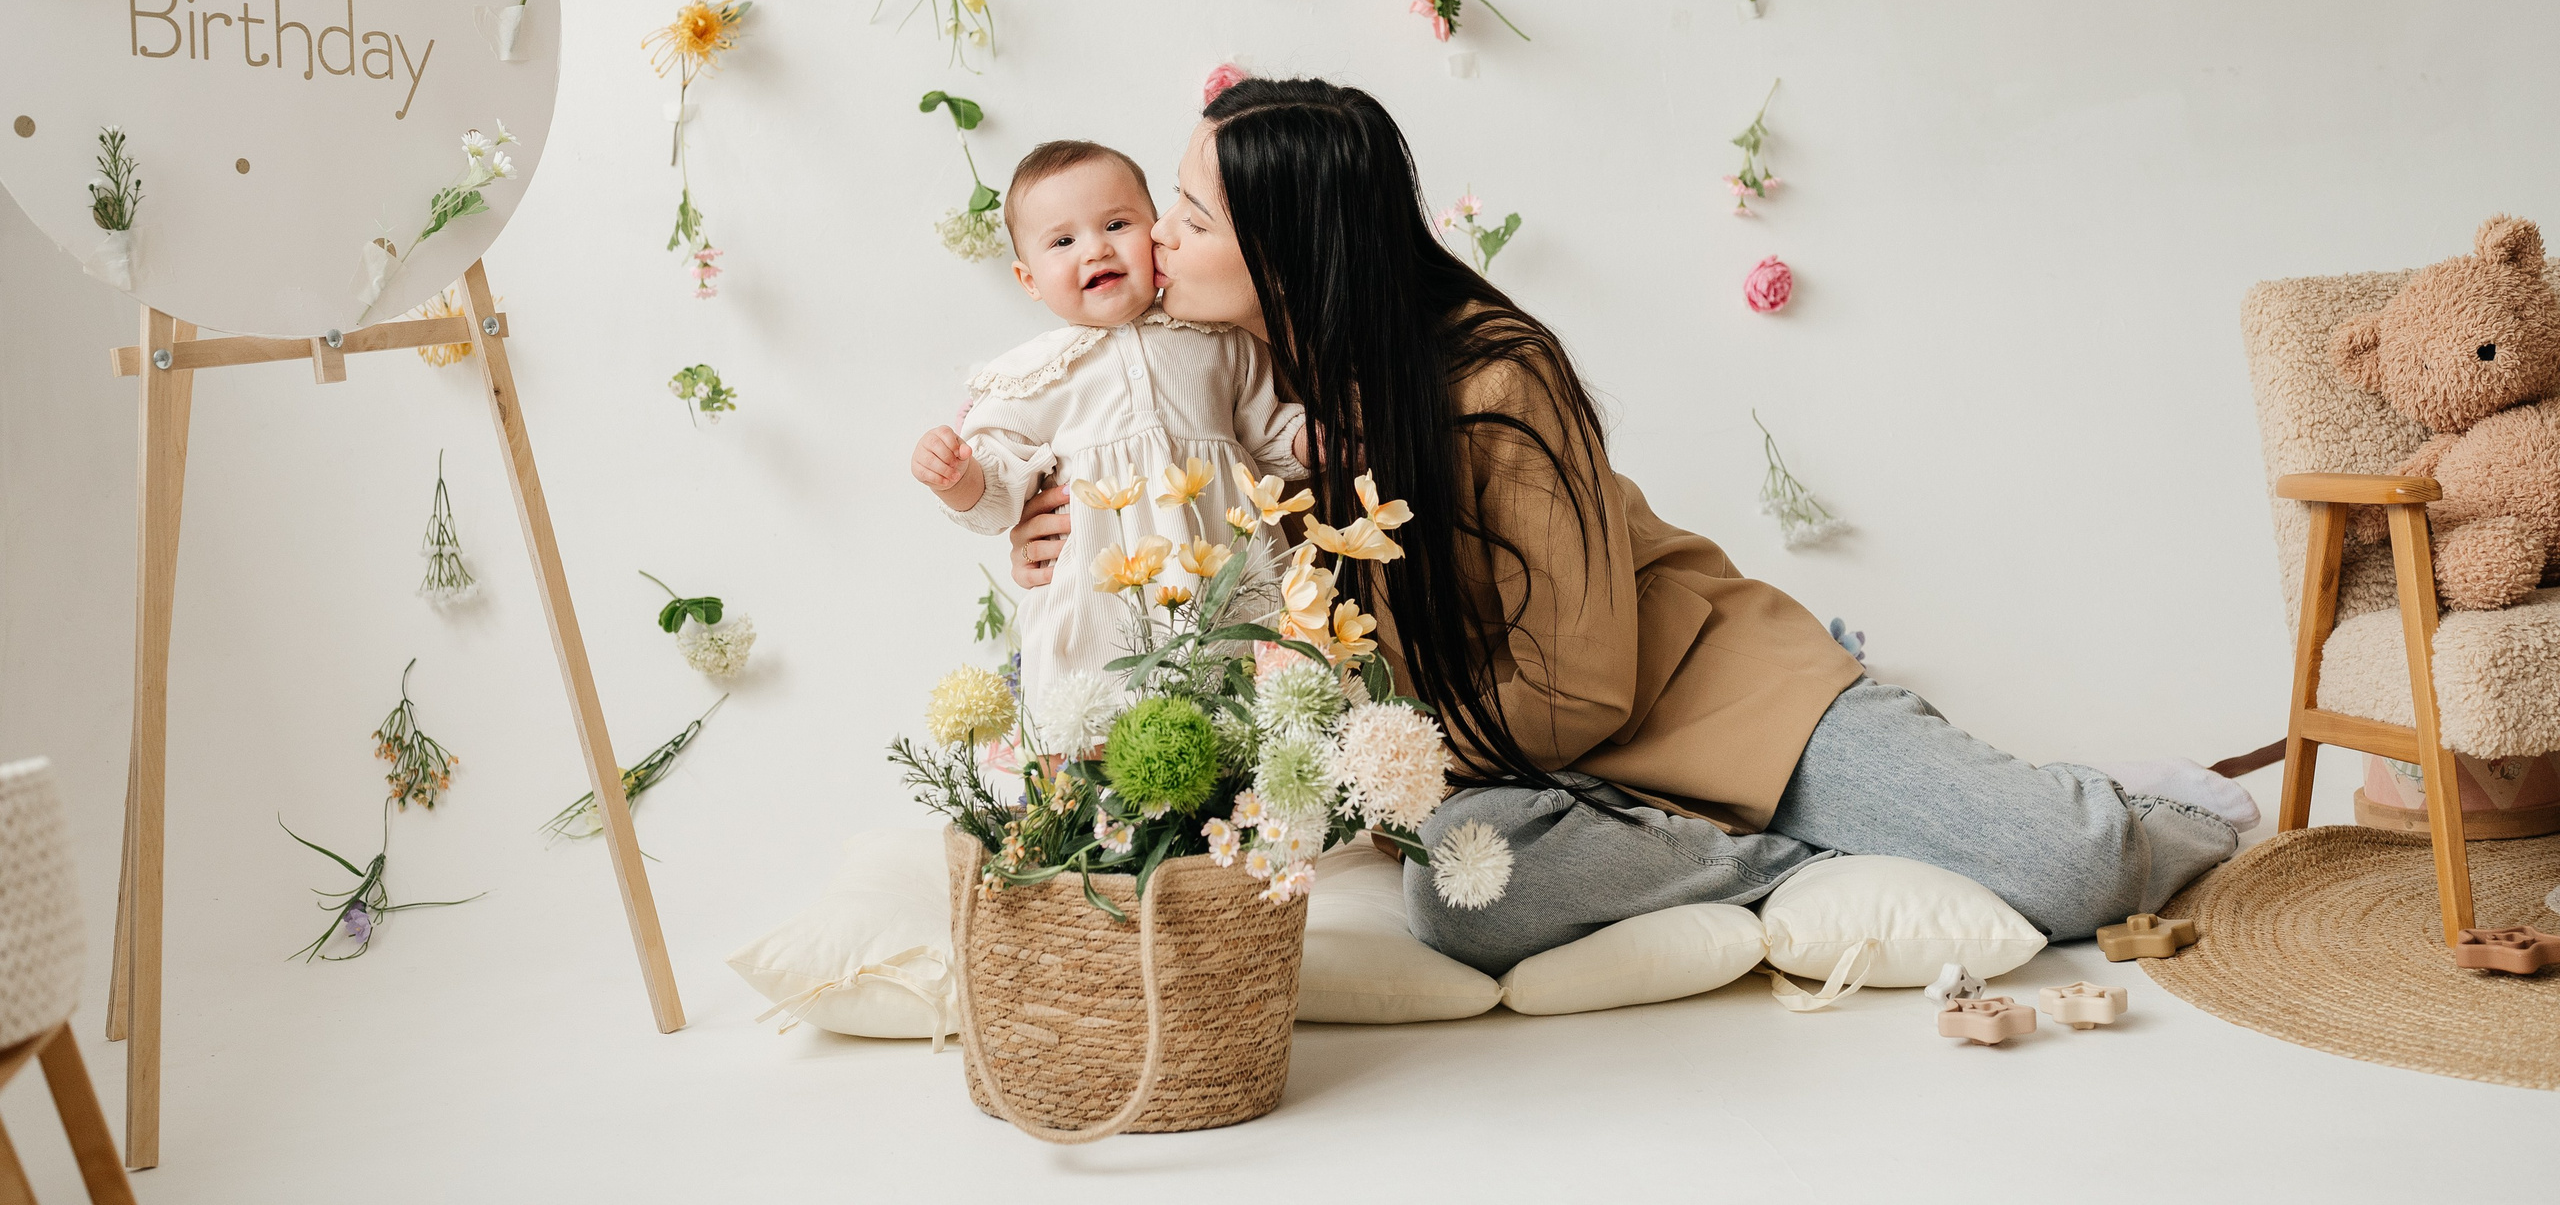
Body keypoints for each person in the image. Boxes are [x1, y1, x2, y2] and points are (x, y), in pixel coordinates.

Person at [1000, 77, 2247, 977]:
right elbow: (1144, 544)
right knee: (1462, 893)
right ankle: (1785, 856)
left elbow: (1589, 682)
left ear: (1293, 253)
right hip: (1521, 769)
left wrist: (1397, 752)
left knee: (2073, 875)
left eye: (1188, 218)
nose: (1153, 238)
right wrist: (1032, 541)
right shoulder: (1225, 396)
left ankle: (2119, 801)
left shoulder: (1492, 379)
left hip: (1704, 697)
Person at [913, 138, 1307, 713]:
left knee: (1253, 708)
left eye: (1117, 224)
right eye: (1063, 241)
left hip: (1227, 576)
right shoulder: (1034, 376)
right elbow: (998, 493)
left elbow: (1265, 429)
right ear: (1029, 280)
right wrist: (956, 476)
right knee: (1106, 725)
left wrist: (1309, 439)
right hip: (1103, 601)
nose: (1096, 249)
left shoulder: (1218, 338)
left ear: (1156, 235)